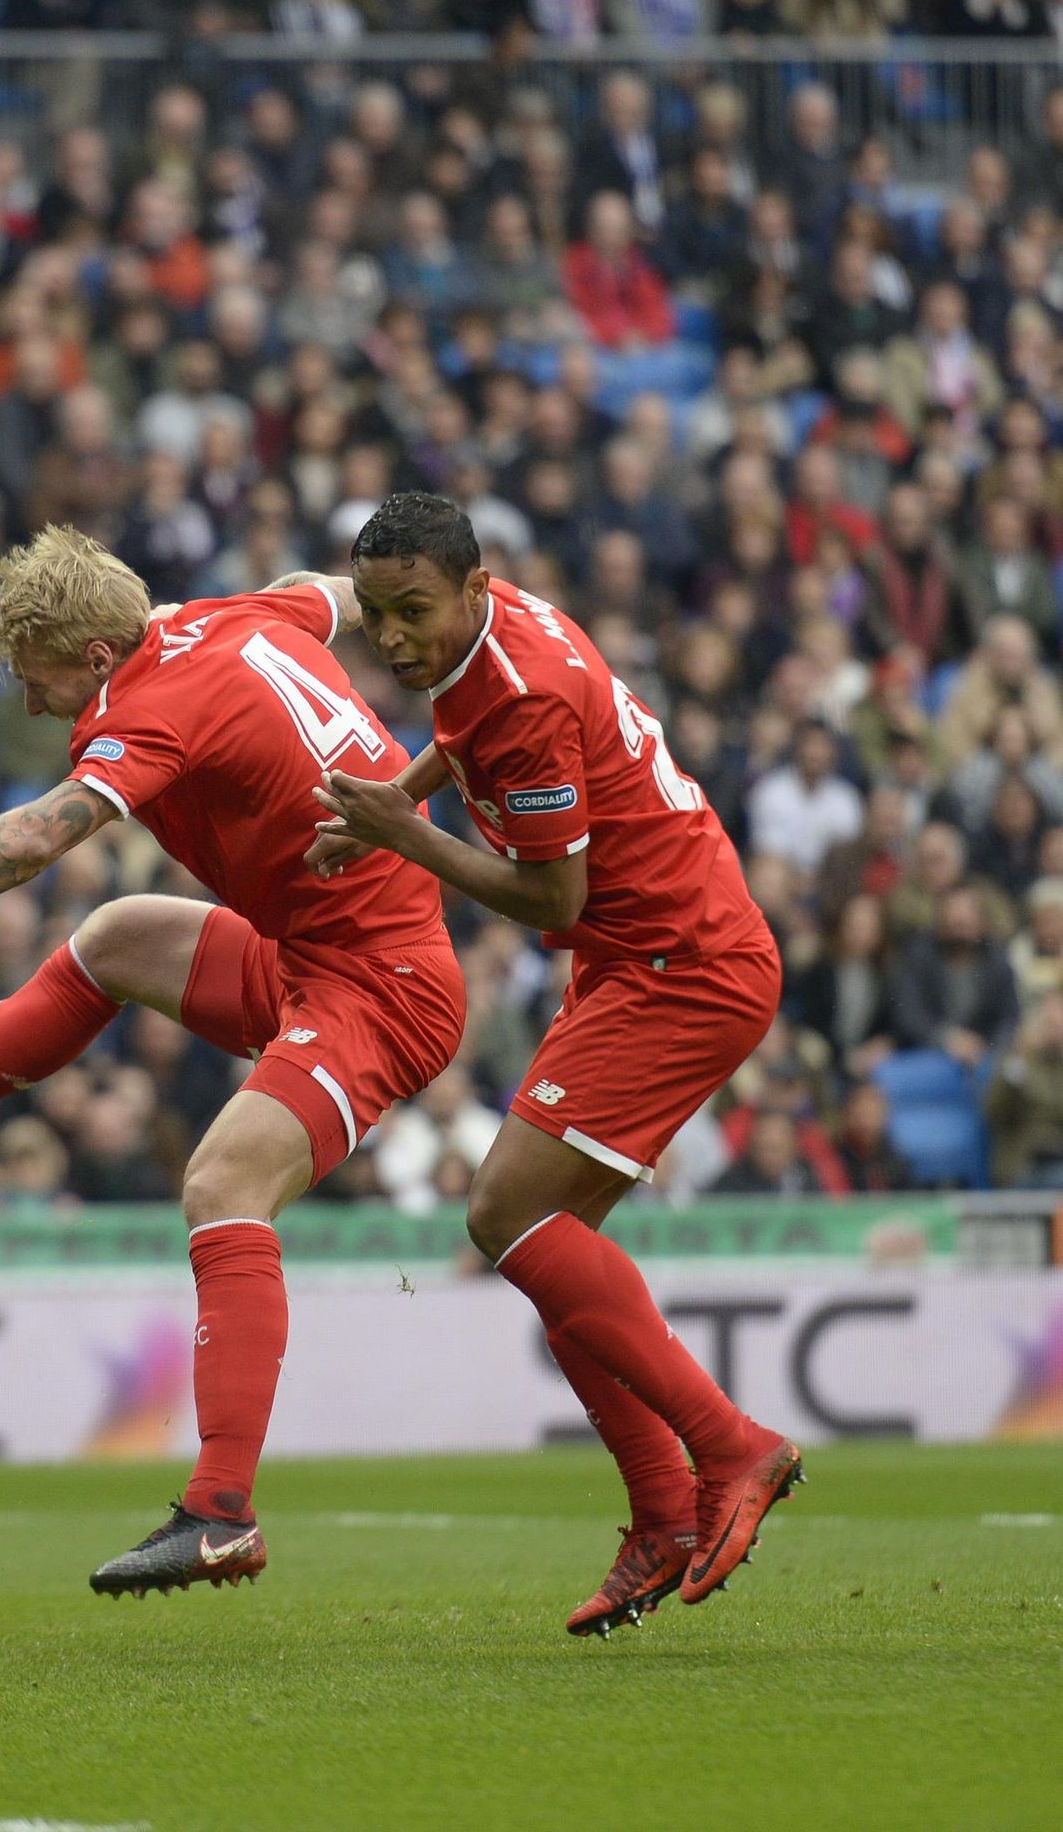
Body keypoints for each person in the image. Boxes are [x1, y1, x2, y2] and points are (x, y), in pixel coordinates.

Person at [0, 526, 463, 1595]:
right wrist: (465, 606)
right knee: (120, 935)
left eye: (35, 679)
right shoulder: (235, 616)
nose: (33, 705)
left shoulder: (153, 702)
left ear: (90, 656)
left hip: (379, 989)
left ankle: (220, 1512)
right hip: (311, 955)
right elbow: (332, 593)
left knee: (222, 1184)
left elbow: (32, 840)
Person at [310, 493, 800, 1636]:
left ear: (472, 590)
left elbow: (550, 896)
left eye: (411, 612)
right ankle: (662, 1514)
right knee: (547, 1249)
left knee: (501, 1217)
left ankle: (734, 1450)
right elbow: (469, 732)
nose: (389, 639)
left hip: (677, 966)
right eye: (374, 615)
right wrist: (410, 791)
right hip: (656, 954)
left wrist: (405, 835)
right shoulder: (506, 626)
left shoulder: (521, 693)